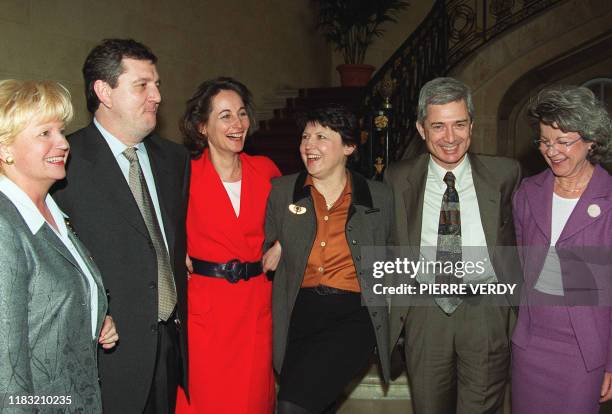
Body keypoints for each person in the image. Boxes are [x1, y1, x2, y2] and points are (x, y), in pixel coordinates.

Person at [53, 39, 190, 413]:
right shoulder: (64, 162)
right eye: (142, 85)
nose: (157, 95)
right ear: (104, 91)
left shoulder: (174, 159)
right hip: (108, 354)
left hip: (169, 346)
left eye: (157, 84)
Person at [384, 77, 522, 414]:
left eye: (459, 124)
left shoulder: (506, 173)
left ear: (471, 125)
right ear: (421, 129)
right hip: (425, 313)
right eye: (438, 126)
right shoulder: (396, 178)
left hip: (486, 313)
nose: (450, 138)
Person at [266, 104, 392, 414]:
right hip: (297, 313)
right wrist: (281, 242)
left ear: (349, 146)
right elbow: (260, 246)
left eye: (321, 136)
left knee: (291, 406)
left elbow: (395, 254)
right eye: (305, 136)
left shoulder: (379, 196)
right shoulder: (282, 191)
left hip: (352, 316)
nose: (309, 145)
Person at [0, 80, 118, 412]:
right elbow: (5, 376)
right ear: (4, 148)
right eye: (45, 133)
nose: (63, 143)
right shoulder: (4, 225)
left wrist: (91, 318)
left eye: (61, 131)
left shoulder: (52, 211)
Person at [174, 77, 281, 414]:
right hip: (205, 310)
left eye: (242, 114)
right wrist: (174, 252)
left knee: (252, 400)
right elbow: (152, 223)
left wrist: (284, 245)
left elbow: (301, 216)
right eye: (225, 116)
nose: (238, 124)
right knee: (206, 400)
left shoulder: (265, 170)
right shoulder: (182, 174)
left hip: (255, 308)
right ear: (202, 126)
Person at [511, 85, 612, 414]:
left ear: (591, 140)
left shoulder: (609, 199)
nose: (551, 151)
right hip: (531, 343)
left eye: (563, 142)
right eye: (544, 141)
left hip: (585, 352)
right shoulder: (528, 192)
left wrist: (610, 361)